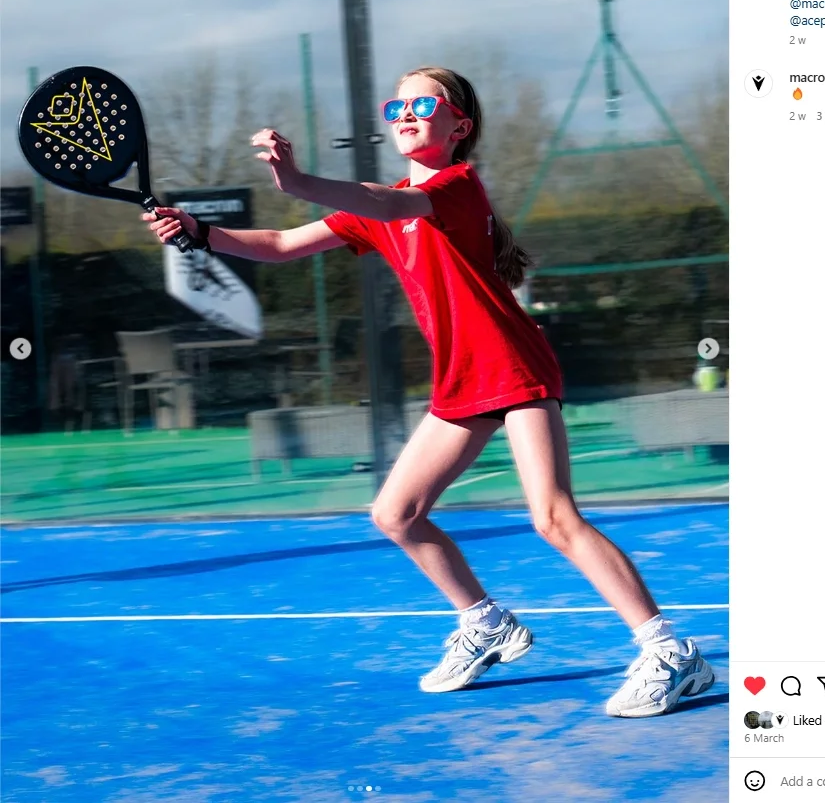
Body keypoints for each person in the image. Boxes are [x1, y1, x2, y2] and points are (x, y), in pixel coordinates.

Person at [143, 66, 714, 717]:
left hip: (513, 364)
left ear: (458, 126)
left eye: (422, 102)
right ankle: (486, 623)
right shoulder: (377, 212)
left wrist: (297, 181)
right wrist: (198, 232)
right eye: (396, 104)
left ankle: (670, 653)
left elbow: (388, 204)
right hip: (462, 378)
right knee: (395, 515)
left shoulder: (456, 187)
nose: (405, 112)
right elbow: (277, 244)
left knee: (552, 517)